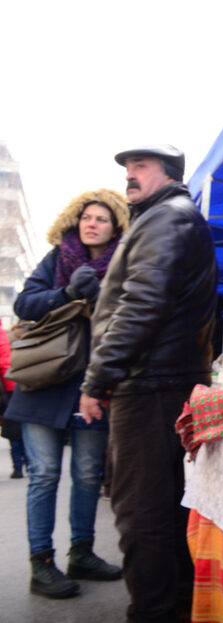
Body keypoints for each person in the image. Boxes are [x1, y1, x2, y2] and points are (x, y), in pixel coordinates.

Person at [78, 144, 217, 623]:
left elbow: (141, 306)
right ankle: (173, 609)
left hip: (154, 386)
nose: (130, 176)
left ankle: (154, 613)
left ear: (168, 173)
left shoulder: (167, 218)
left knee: (144, 516)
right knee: (163, 511)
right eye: (127, 168)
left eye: (141, 167)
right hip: (163, 383)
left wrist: (97, 379)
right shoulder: (167, 218)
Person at [4, 188, 129, 599]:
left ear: (115, 229)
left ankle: (82, 554)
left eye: (101, 219)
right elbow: (25, 303)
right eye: (87, 217)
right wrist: (68, 293)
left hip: (92, 385)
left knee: (88, 475)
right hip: (44, 384)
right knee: (44, 475)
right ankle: (41, 565)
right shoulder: (58, 258)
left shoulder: (123, 265)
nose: (91, 224)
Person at [0, 318, 25, 478]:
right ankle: (22, 465)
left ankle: (18, 466)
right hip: (10, 388)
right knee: (17, 429)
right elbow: (5, 363)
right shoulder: (2, 333)